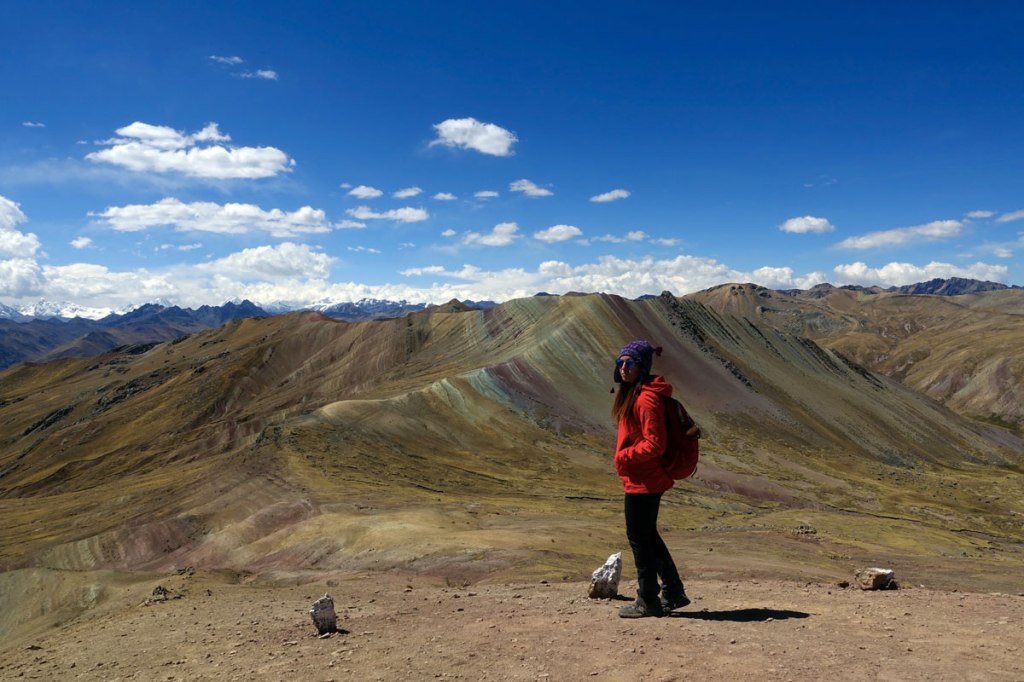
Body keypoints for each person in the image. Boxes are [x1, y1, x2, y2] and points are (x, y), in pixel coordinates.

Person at [611, 339, 690, 618]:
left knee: (639, 538)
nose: (623, 368)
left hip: (645, 480)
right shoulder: (634, 393)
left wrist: (624, 457)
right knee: (648, 536)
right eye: (620, 362)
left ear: (642, 366)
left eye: (630, 363)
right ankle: (673, 591)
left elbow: (655, 444)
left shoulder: (645, 398)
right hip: (641, 478)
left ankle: (648, 599)